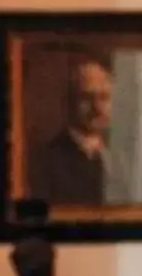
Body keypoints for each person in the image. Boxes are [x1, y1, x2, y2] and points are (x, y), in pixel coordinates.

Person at [27, 51, 118, 209]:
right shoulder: (47, 162)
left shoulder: (118, 159)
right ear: (69, 102)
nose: (98, 108)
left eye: (104, 97)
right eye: (87, 98)